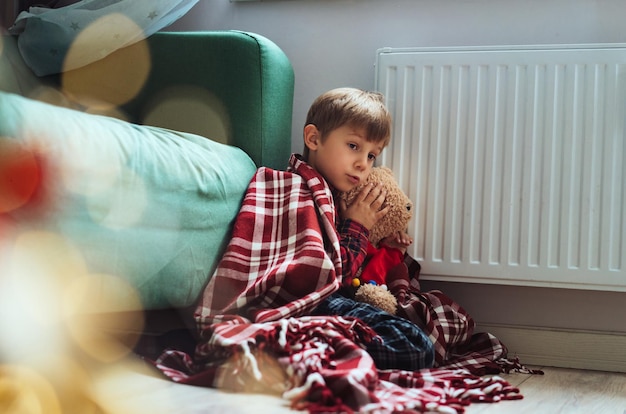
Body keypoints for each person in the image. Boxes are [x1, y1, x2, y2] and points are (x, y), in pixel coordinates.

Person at [297, 87, 434, 370]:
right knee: (414, 346)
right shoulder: (295, 190)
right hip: (306, 305)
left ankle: (305, 347)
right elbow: (333, 278)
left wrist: (382, 247)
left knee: (424, 323)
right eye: (353, 146)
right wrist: (357, 226)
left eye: (372, 156)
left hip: (331, 306)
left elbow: (355, 273)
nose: (363, 164)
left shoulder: (338, 198)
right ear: (313, 138)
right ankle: (293, 345)